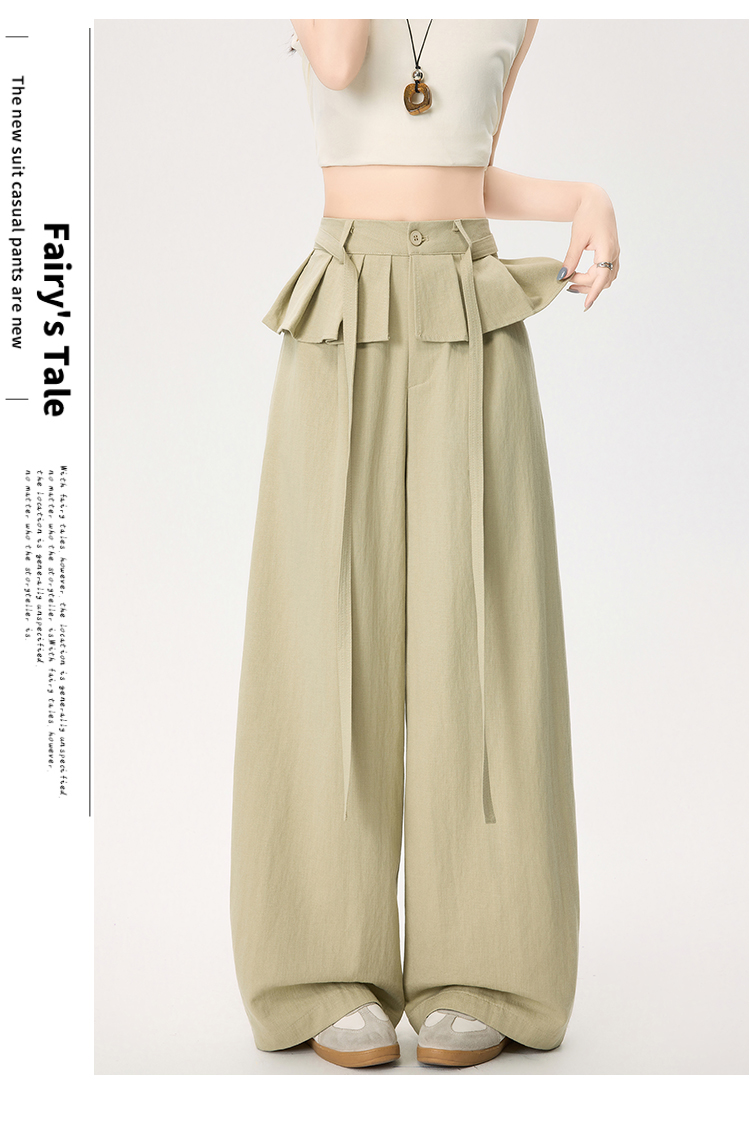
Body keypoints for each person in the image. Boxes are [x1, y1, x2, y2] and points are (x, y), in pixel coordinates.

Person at [230, 18, 620, 1070]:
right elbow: (343, 62)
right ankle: (318, 962)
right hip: (342, 301)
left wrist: (583, 197)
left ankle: (487, 962)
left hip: (466, 295)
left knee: (485, 631)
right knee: (326, 633)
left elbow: (464, 171)